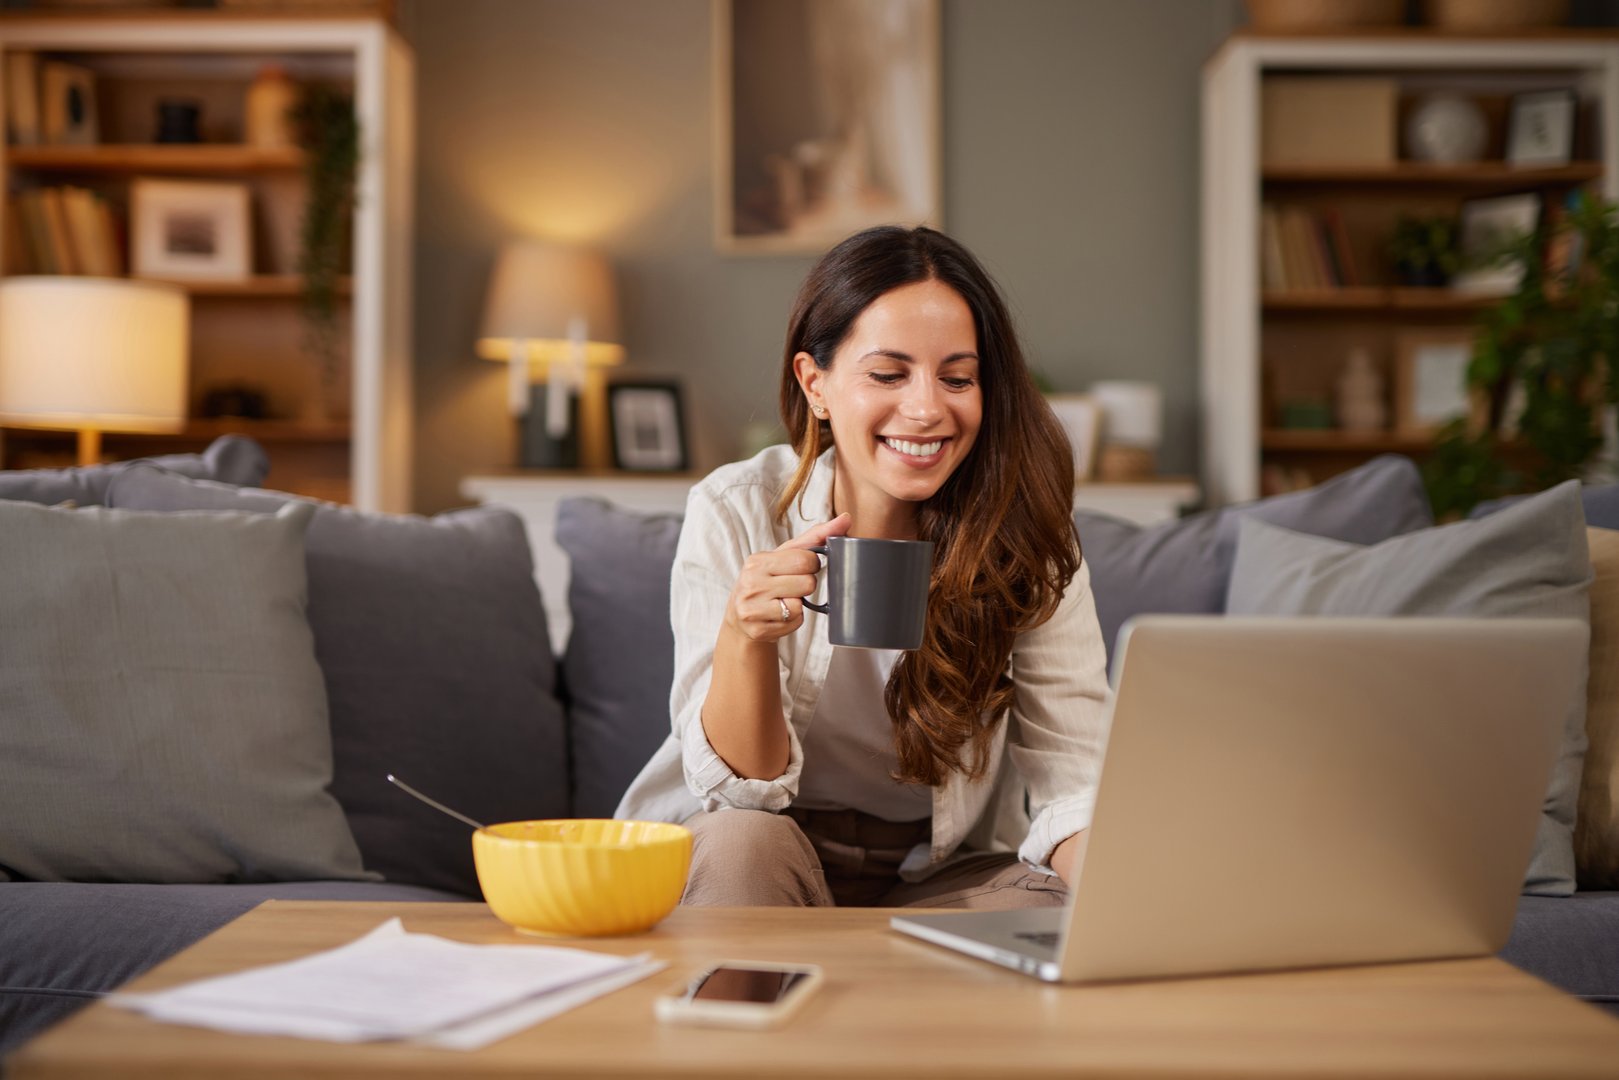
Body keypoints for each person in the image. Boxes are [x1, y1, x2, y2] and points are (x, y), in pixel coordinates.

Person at [616, 225, 1110, 909]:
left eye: (957, 378)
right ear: (814, 383)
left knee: (1041, 904)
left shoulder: (1027, 540)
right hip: (765, 841)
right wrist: (745, 637)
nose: (926, 408)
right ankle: (727, 1022)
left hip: (931, 868)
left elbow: (1075, 780)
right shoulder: (737, 509)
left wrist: (1131, 910)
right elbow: (740, 791)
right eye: (887, 374)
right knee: (742, 847)